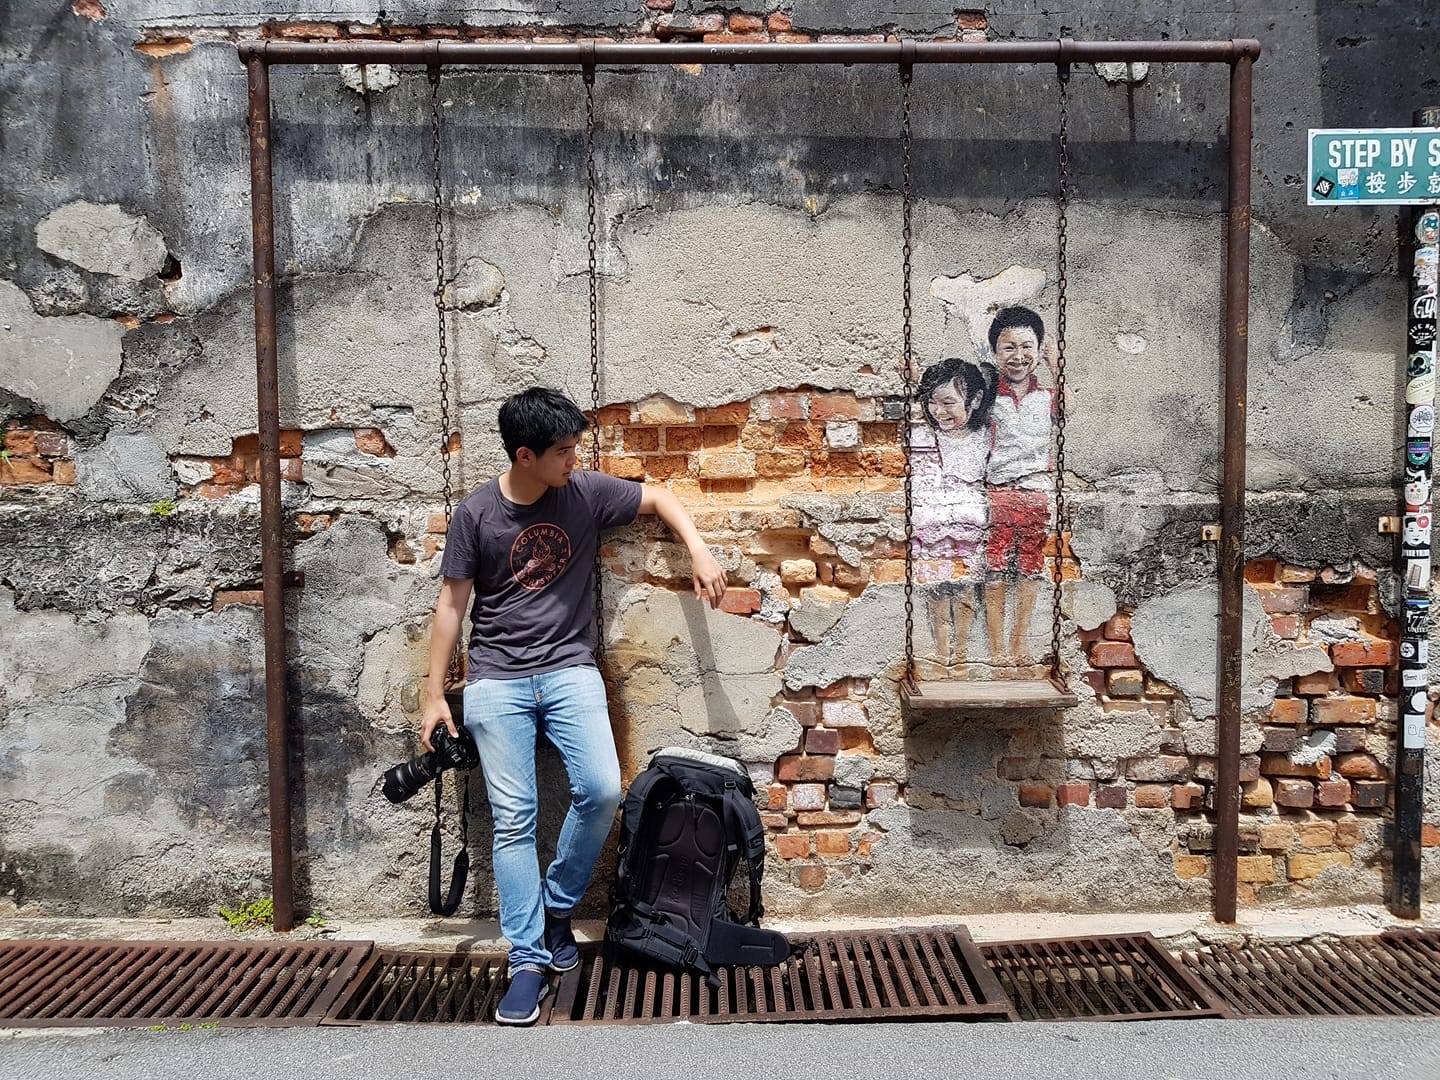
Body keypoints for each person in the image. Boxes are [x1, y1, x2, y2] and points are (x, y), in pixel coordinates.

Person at [420, 387, 726, 1025]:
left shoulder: (583, 492)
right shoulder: (476, 515)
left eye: (574, 449)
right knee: (514, 820)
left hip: (569, 671)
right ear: (524, 456)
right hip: (497, 680)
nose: (574, 460)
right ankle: (528, 960)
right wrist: (432, 695)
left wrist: (697, 548)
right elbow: (451, 606)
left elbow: (660, 497)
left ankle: (558, 907)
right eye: (562, 451)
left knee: (602, 789)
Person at [981, 306, 1059, 663]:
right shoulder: (987, 398)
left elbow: (1068, 408)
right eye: (1008, 347)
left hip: (1036, 492)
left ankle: (1019, 643)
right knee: (995, 567)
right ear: (995, 352)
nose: (1018, 356)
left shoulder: (1047, 397)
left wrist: (1056, 366)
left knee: (1030, 566)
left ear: (1039, 350)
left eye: (1027, 346)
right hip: (998, 491)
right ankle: (997, 648)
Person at [909, 356, 997, 668]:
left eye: (948, 402)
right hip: (931, 526)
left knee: (966, 589)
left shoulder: (983, 437)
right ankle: (941, 650)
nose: (938, 411)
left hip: (970, 527)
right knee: (935, 589)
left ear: (975, 401)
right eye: (932, 402)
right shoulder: (923, 437)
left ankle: (960, 652)